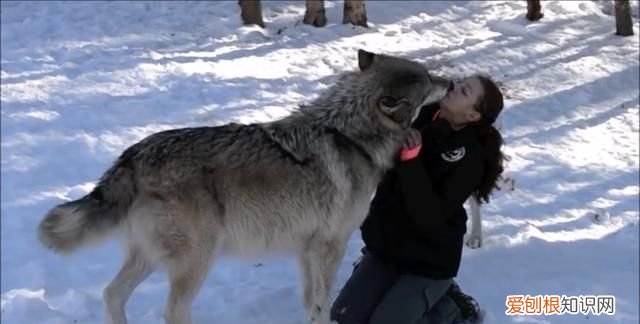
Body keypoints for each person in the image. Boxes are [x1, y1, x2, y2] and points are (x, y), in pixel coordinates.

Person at [330, 74, 506, 324]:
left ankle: (452, 308)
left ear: (472, 115)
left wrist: (411, 162)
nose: (455, 88)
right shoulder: (418, 113)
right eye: (460, 83)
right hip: (388, 247)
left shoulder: (469, 157)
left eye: (464, 92)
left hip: (429, 259)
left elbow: (430, 215)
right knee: (343, 318)